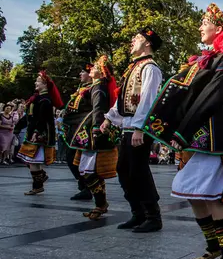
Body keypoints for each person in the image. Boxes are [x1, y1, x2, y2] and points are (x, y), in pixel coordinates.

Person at [142, 3, 223, 259]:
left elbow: (212, 98)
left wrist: (181, 130)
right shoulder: (204, 60)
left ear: (219, 28)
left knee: (212, 199)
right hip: (195, 139)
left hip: (212, 140)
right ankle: (213, 246)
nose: (199, 26)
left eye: (204, 22)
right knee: (192, 193)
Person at [100, 27, 163, 233]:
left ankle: (153, 216)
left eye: (136, 38)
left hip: (138, 130)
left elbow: (148, 99)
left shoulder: (150, 68)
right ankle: (138, 213)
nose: (132, 41)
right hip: (128, 128)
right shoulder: (133, 68)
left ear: (147, 43)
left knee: (139, 171)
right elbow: (122, 100)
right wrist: (109, 118)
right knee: (124, 170)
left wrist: (140, 128)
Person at [70, 55, 120, 220]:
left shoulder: (98, 87)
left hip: (93, 134)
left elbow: (98, 110)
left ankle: (101, 204)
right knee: (88, 171)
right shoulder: (96, 86)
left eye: (95, 67)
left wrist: (96, 130)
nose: (91, 69)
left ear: (102, 71)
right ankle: (100, 204)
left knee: (88, 171)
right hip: (91, 133)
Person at [18, 71, 64, 195]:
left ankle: (37, 185)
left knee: (31, 159)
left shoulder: (45, 100)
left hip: (39, 134)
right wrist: (18, 128)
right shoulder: (37, 98)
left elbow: (42, 119)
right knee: (30, 159)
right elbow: (30, 117)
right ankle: (41, 177)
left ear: (44, 84)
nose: (35, 83)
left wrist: (37, 132)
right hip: (34, 132)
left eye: (38, 81)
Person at [63, 63, 95, 200]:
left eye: (83, 72)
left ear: (90, 74)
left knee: (78, 159)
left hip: (84, 129)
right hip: (74, 128)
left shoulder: (93, 89)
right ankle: (84, 186)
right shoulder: (81, 89)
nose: (80, 74)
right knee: (72, 158)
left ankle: (89, 187)